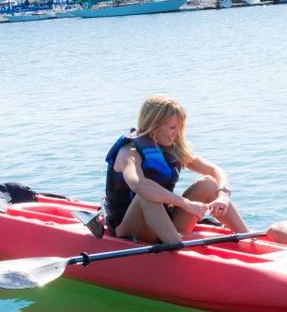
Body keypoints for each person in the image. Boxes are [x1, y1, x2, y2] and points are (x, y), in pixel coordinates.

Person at [105, 95, 247, 244]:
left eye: (180, 127)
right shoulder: (129, 152)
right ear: (154, 126)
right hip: (130, 229)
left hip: (163, 221)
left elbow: (214, 170)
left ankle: (248, 237)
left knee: (208, 184)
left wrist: (223, 195)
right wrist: (186, 204)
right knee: (147, 195)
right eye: (173, 127)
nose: (177, 133)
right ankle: (180, 250)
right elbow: (139, 184)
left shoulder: (172, 149)